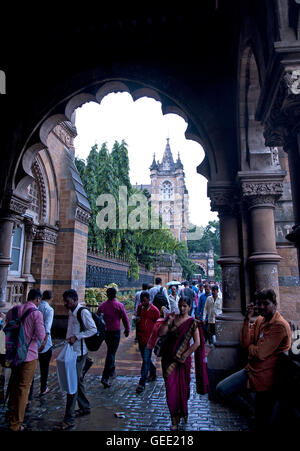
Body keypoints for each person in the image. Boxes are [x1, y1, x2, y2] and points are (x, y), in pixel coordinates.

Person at [216, 288, 291, 431]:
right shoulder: (260, 320)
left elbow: (260, 353)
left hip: (266, 377)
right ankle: (251, 412)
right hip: (252, 370)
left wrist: (252, 348)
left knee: (262, 421)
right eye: (259, 304)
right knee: (222, 389)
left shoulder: (279, 325)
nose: (261, 307)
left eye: (266, 304)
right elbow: (245, 343)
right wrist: (246, 319)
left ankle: (254, 415)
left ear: (274, 304)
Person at [158, 296, 207, 430]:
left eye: (185, 306)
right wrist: (168, 322)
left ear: (190, 307)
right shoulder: (173, 318)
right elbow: (161, 333)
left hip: (182, 360)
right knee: (170, 388)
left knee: (182, 389)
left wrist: (185, 355)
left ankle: (181, 413)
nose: (182, 308)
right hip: (169, 358)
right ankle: (173, 419)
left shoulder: (193, 322)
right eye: (180, 305)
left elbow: (197, 343)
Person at [53, 289, 97, 430]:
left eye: (68, 301)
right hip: (73, 351)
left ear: (75, 299)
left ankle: (69, 418)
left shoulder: (82, 312)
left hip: (79, 352)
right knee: (77, 381)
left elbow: (93, 329)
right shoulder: (71, 312)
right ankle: (84, 407)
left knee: (72, 383)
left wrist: (76, 337)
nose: (66, 304)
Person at [6, 288, 46, 432]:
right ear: (37, 300)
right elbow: (41, 335)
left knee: (14, 384)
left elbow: (7, 324)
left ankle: (10, 412)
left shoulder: (15, 309)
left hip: (14, 353)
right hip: (29, 355)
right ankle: (16, 424)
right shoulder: (36, 313)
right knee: (24, 388)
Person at [97, 286, 130, 388]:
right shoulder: (119, 305)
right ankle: (105, 377)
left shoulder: (102, 305)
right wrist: (127, 329)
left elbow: (97, 318)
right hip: (115, 332)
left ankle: (112, 370)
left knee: (111, 351)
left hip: (106, 332)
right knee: (111, 353)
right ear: (115, 295)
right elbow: (125, 318)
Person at [29, 290, 54, 400]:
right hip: (45, 342)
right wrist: (44, 341)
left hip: (32, 342)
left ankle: (29, 391)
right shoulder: (49, 309)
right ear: (51, 299)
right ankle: (43, 388)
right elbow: (47, 326)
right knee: (45, 368)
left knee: (31, 369)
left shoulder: (35, 307)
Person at [136, 291, 160, 393]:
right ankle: (153, 371)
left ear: (149, 299)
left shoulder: (155, 311)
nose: (143, 303)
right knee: (145, 358)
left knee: (145, 359)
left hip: (150, 339)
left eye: (144, 301)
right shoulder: (140, 308)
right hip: (141, 337)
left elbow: (158, 325)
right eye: (141, 301)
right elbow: (137, 320)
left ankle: (142, 382)